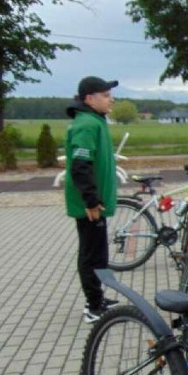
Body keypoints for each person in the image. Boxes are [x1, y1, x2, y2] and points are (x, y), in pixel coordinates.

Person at [64, 76, 119, 323]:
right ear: (89, 98)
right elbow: (80, 165)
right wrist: (90, 200)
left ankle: (98, 297)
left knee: (98, 253)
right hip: (90, 206)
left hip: (96, 202)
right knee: (92, 255)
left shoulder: (95, 121)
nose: (111, 100)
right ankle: (93, 305)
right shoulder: (86, 124)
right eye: (106, 95)